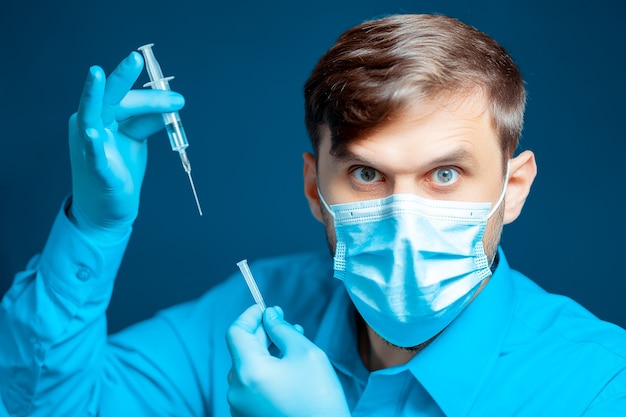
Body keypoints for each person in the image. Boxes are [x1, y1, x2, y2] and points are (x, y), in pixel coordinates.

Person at [1, 13, 625, 417]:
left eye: (444, 174)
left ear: (512, 188)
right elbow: (46, 408)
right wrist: (95, 225)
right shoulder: (249, 316)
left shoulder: (599, 385)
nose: (404, 222)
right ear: (312, 187)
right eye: (365, 174)